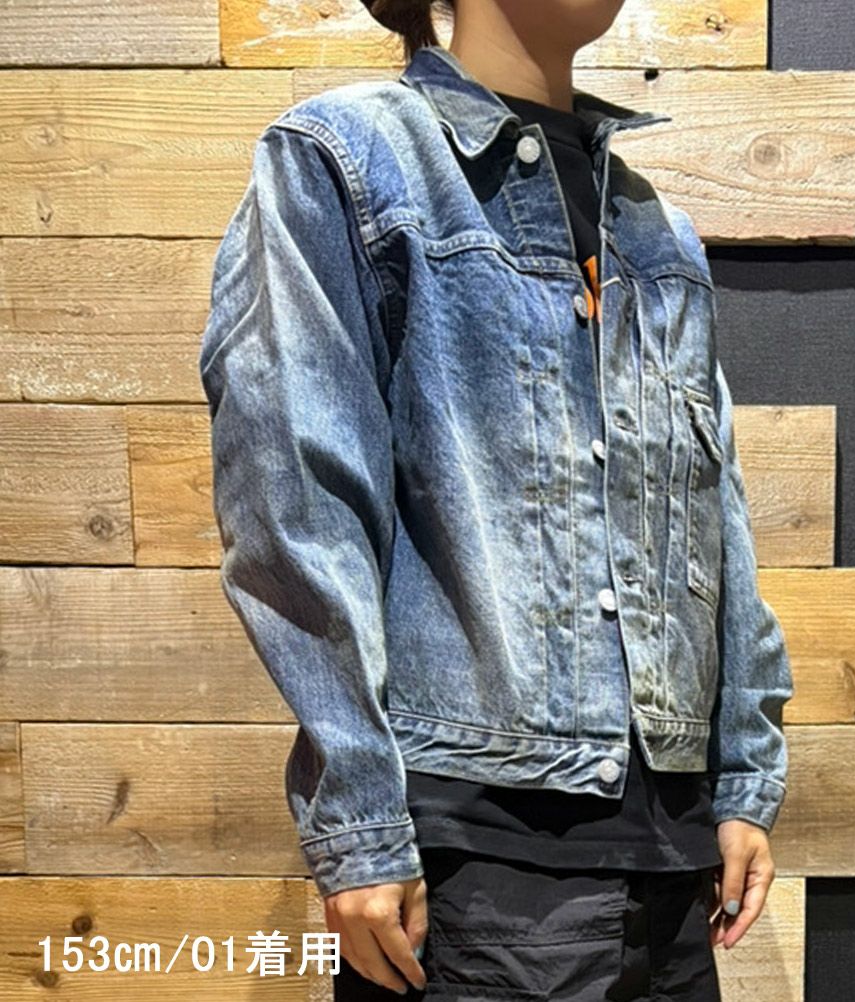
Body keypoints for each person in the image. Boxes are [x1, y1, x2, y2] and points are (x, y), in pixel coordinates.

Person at [199, 1, 796, 998]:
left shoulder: (655, 230)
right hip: (480, 872)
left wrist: (743, 775)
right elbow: (295, 501)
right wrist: (358, 823)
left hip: (674, 865)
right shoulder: (349, 159)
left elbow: (713, 514)